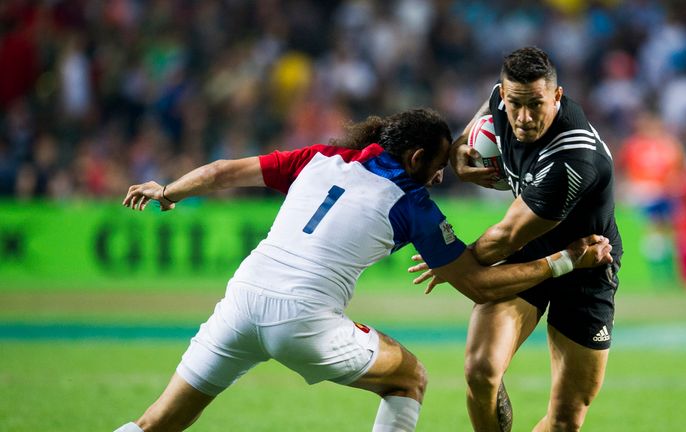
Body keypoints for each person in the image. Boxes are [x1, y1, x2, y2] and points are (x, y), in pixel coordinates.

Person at [114, 108, 612, 432]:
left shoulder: (321, 157)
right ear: (416, 158)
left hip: (240, 302)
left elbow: (223, 171)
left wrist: (169, 190)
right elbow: (480, 286)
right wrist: (564, 261)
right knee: (409, 379)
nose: (440, 177)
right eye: (438, 166)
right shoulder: (412, 202)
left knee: (156, 423)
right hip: (303, 319)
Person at [411, 47, 623, 431]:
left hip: (587, 262)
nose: (523, 118)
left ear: (557, 97)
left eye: (536, 105)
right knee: (481, 370)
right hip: (534, 247)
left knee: (566, 419)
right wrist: (460, 150)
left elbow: (506, 237)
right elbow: (483, 115)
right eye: (515, 104)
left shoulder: (572, 159)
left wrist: (454, 261)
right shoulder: (501, 99)